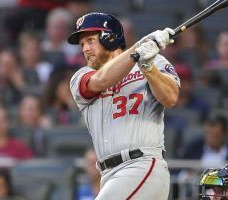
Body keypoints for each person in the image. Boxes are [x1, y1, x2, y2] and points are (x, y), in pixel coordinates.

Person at [69, 12, 180, 199]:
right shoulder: (81, 76)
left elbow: (170, 98)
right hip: (108, 175)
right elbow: (103, 79)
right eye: (82, 45)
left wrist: (148, 67)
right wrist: (137, 50)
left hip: (141, 166)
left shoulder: (154, 61)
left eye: (90, 41)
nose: (85, 49)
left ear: (110, 38)